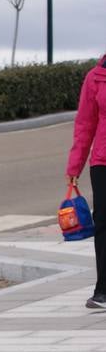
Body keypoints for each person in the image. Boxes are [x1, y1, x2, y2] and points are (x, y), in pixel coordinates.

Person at [67, 52, 106, 309]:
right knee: (103, 223)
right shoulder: (96, 77)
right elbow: (85, 124)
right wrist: (75, 165)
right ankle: (103, 290)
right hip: (103, 162)